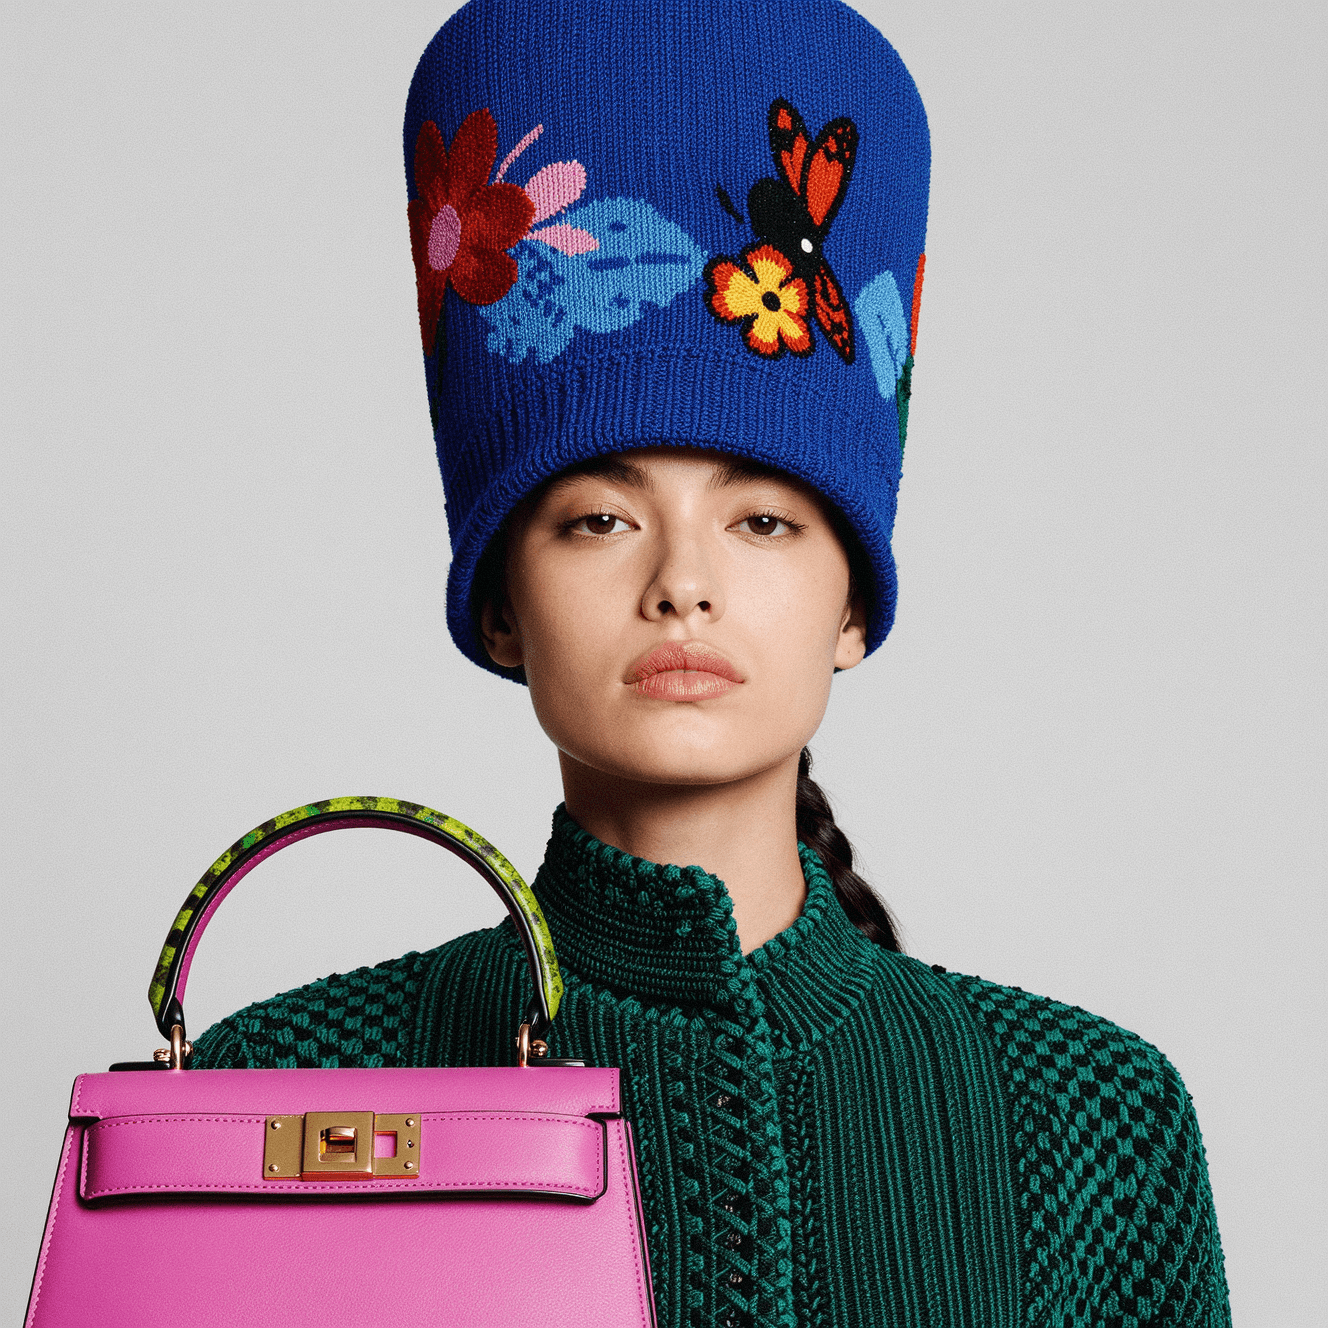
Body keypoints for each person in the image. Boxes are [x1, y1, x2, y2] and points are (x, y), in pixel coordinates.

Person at [192, 0, 1231, 1322]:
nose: (682, 582)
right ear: (502, 605)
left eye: (763, 522)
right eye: (598, 520)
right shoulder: (281, 1092)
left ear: (852, 607)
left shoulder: (1095, 1119)